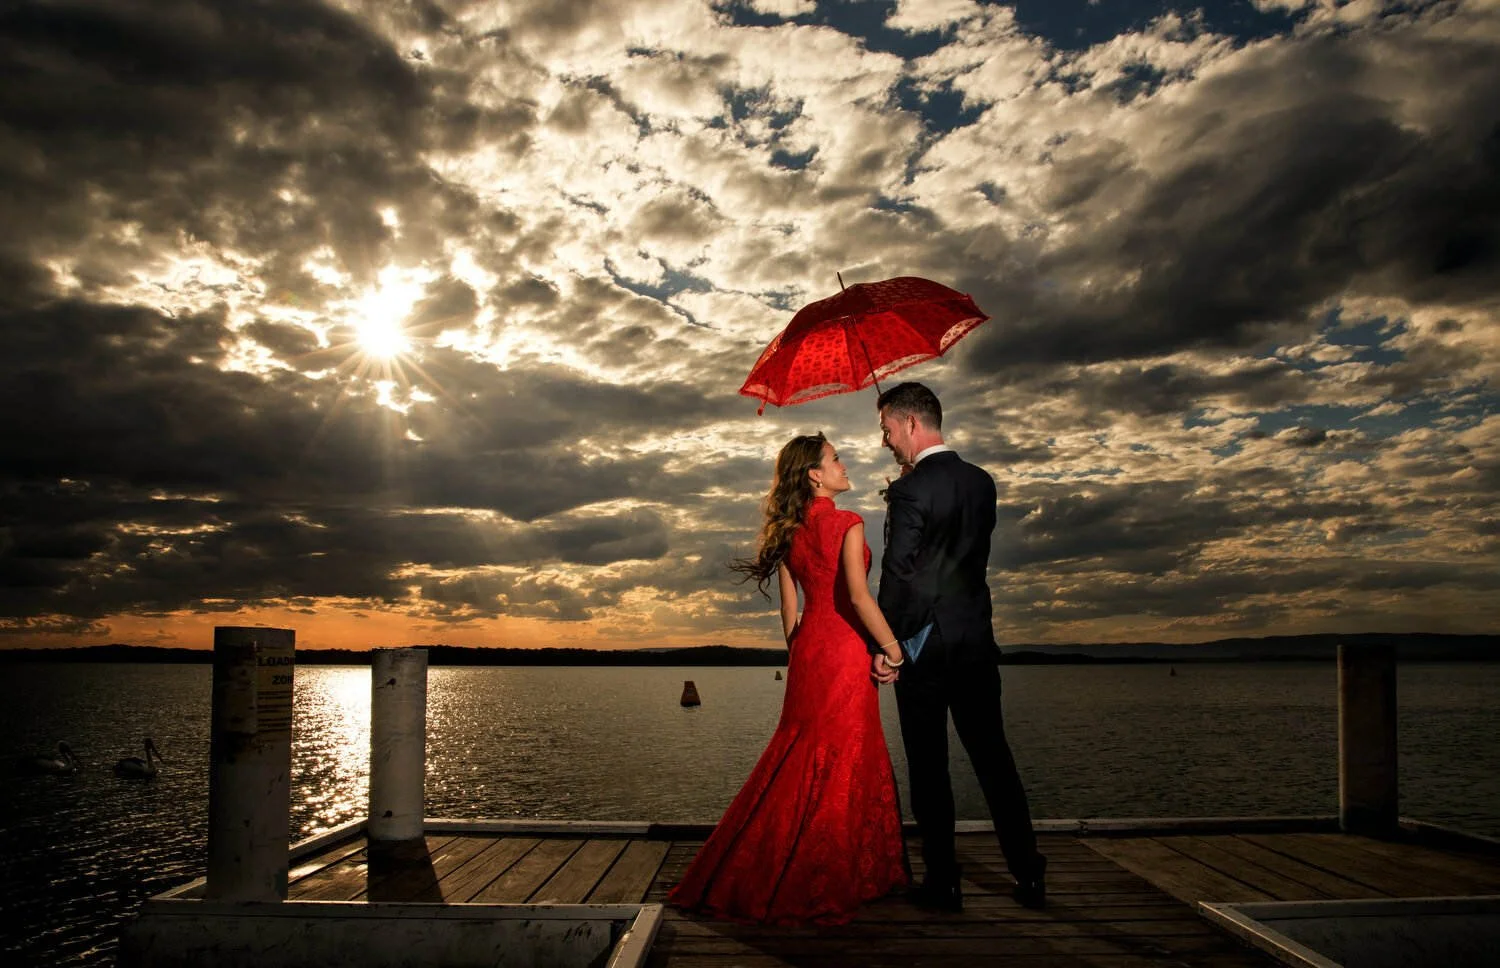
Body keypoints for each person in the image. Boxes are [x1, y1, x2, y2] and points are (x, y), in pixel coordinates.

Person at [668, 432, 908, 924]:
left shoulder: (788, 532)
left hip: (808, 652)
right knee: (846, 755)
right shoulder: (847, 521)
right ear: (815, 475)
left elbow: (790, 609)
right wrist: (893, 650)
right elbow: (860, 599)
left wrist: (800, 651)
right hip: (843, 649)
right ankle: (836, 876)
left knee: (797, 750)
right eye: (835, 460)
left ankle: (765, 864)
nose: (845, 466)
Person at [875, 382, 1047, 911]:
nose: (884, 440)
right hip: (975, 639)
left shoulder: (909, 491)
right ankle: (1030, 874)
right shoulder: (981, 483)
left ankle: (944, 883)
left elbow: (901, 575)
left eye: (886, 429)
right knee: (994, 759)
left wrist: (889, 645)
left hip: (924, 648)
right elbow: (956, 560)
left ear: (909, 423)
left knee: (929, 767)